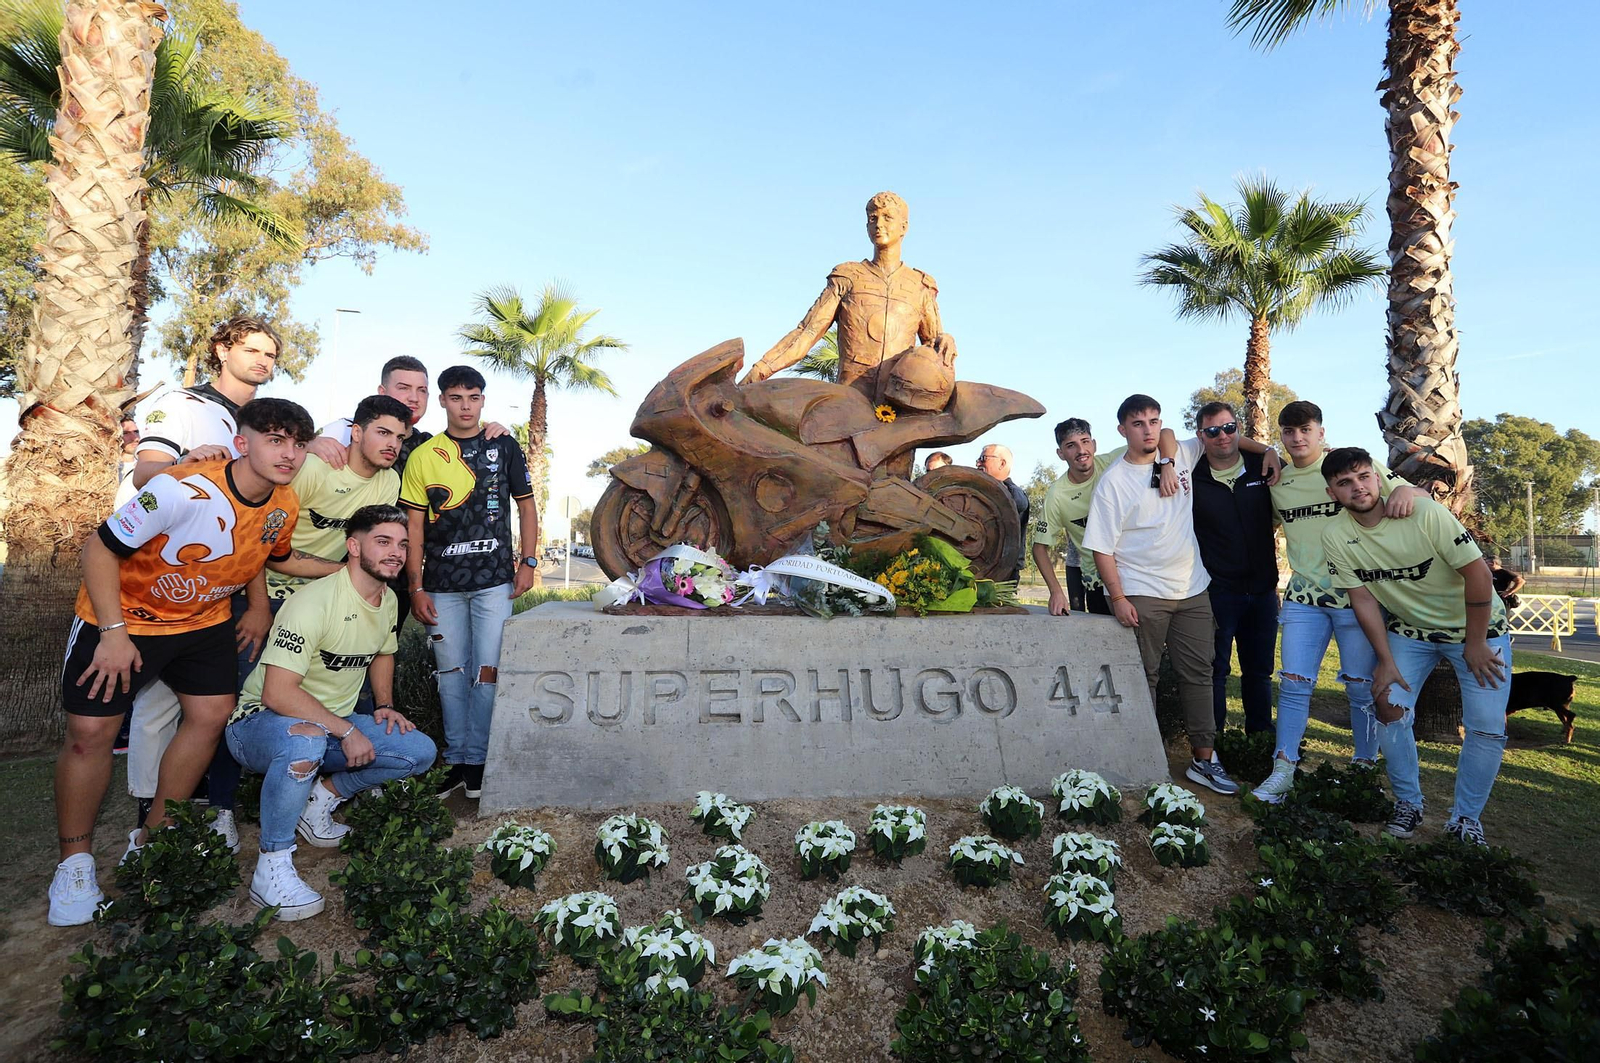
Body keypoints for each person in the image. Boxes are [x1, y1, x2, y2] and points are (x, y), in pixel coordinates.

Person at [46, 398, 312, 927]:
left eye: (299, 444)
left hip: (202, 622)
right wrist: (113, 634)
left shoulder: (285, 501)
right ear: (242, 443)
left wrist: (270, 601)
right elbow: (98, 549)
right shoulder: (178, 486)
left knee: (210, 716)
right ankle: (73, 866)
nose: (289, 453)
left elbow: (264, 552)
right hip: (124, 619)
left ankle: (152, 841)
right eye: (276, 440)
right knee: (89, 735)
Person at [201, 394, 413, 853]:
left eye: (400, 437)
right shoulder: (314, 468)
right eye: (383, 432)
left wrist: (352, 582)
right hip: (267, 593)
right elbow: (258, 540)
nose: (392, 444)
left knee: (345, 692)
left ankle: (326, 792)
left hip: (328, 600)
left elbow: (368, 542)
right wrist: (258, 607)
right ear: (355, 432)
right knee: (239, 699)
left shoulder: (389, 480)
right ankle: (221, 807)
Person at [225, 505, 436, 920]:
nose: (396, 553)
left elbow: (384, 652)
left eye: (402, 544)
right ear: (353, 547)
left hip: (329, 726)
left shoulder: (389, 599)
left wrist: (385, 705)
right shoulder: (313, 602)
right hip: (257, 724)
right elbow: (276, 693)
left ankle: (321, 798)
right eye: (383, 542)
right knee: (306, 739)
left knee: (418, 752)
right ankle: (271, 866)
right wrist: (346, 731)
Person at [119, 316, 283, 833]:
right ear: (221, 350)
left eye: (270, 354)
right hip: (165, 580)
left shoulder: (265, 421)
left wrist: (259, 604)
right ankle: (149, 821)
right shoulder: (184, 404)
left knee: (213, 703)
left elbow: (253, 524)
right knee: (158, 703)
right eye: (251, 349)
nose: (262, 360)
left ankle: (208, 809)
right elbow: (144, 473)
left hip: (226, 584)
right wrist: (188, 462)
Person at [1320, 448, 1511, 846]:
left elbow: (1478, 575)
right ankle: (1408, 802)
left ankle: (1465, 820)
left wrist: (1476, 643)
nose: (1358, 487)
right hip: (1412, 632)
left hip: (1478, 630)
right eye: (1345, 483)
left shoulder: (1424, 513)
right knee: (1387, 702)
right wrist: (1385, 660)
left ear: (1377, 478)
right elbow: (1363, 600)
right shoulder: (1335, 535)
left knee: (1487, 725)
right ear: (1332, 493)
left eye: (1363, 477)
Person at [1250, 400, 1424, 804]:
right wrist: (1267, 453)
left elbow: (1408, 489)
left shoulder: (1347, 468)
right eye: (1288, 432)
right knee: (1293, 685)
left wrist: (1406, 490)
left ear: (1321, 432)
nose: (1297, 438)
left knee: (1362, 689)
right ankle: (1283, 770)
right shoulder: (1278, 481)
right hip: (1304, 599)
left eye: (1305, 430)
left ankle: (1363, 772)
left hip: (1357, 597)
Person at [1082, 394, 1237, 793]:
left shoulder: (1177, 454)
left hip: (1192, 589)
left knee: (1199, 675)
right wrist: (1118, 597)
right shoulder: (1113, 483)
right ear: (1122, 430)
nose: (1148, 430)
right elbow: (1101, 548)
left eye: (1153, 421)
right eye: (1138, 424)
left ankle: (1204, 760)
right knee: (1143, 678)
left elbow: (1212, 436)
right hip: (1142, 593)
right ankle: (1145, 760)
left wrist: (1269, 452)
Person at [401, 366, 540, 800]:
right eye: (457, 397)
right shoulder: (424, 455)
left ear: (483, 400)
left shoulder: (504, 445)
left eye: (474, 397)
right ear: (443, 400)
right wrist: (416, 587)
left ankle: (478, 762)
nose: (466, 406)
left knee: (487, 672)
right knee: (450, 674)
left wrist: (528, 562)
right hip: (441, 585)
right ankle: (456, 759)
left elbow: (527, 507)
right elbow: (413, 527)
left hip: (495, 581)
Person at [741, 191, 957, 396]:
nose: (879, 224)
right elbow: (807, 332)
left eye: (887, 217)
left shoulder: (921, 286)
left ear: (904, 227)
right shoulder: (848, 277)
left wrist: (945, 339)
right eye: (873, 218)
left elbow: (934, 351)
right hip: (849, 401)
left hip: (898, 403)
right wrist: (762, 369)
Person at [1189, 402, 1279, 736]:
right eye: (1213, 431)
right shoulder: (1191, 475)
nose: (1223, 436)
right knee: (1216, 671)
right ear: (1201, 436)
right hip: (1219, 592)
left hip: (1263, 591)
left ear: (1238, 427)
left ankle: (1259, 742)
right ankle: (1215, 744)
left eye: (1229, 428)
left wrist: (1270, 449)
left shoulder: (1263, 468)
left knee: (1259, 672)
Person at [1031, 417, 1179, 617]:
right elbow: (1039, 548)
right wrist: (1055, 591)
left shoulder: (1114, 462)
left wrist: (1167, 464)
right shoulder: (1057, 494)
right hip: (1098, 582)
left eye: (1085, 441)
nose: (1081, 450)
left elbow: (1165, 434)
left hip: (1136, 573)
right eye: (1071, 446)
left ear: (1094, 444)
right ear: (1061, 453)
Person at [977, 443, 1029, 582]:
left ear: (1002, 463)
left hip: (1003, 572)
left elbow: (1017, 506)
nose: (978, 463)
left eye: (983, 458)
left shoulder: (1014, 493)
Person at [117, 416, 139, 482]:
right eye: (126, 433)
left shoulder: (146, 467)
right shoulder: (108, 470)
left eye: (136, 432)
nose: (135, 438)